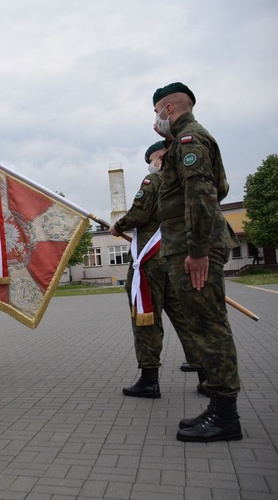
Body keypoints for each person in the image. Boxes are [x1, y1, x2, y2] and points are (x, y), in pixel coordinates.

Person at [153, 82, 242, 442]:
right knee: (204, 325)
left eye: (156, 111)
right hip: (187, 246)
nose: (155, 120)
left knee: (210, 327)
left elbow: (203, 194)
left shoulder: (190, 141)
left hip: (194, 250)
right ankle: (219, 408)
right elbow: (217, 188)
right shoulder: (183, 142)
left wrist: (198, 250)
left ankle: (225, 416)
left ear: (168, 109)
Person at [110, 141, 204, 398]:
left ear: (161, 156)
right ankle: (206, 373)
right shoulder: (185, 181)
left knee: (146, 317)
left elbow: (140, 214)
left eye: (152, 158)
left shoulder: (154, 180)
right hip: (176, 257)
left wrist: (119, 225)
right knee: (184, 316)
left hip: (150, 261)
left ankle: (149, 379)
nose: (151, 164)